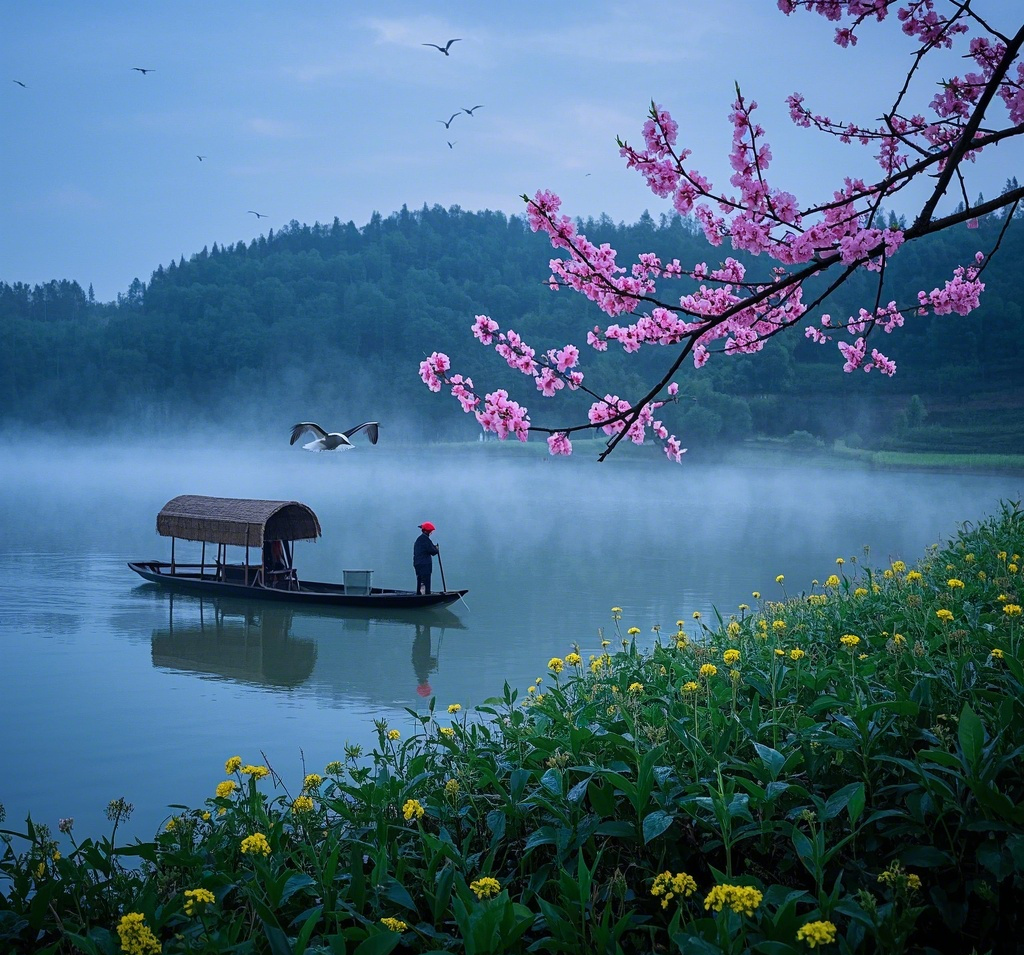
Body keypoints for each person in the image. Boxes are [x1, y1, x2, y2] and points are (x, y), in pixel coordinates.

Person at [413, 521, 439, 595]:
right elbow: (433, 551)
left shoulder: (419, 539)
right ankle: (424, 596)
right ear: (427, 531)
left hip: (418, 563)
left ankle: (420, 594)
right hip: (424, 564)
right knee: (424, 581)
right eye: (431, 531)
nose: (431, 532)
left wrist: (434, 548)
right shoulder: (425, 540)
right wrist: (436, 548)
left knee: (420, 580)